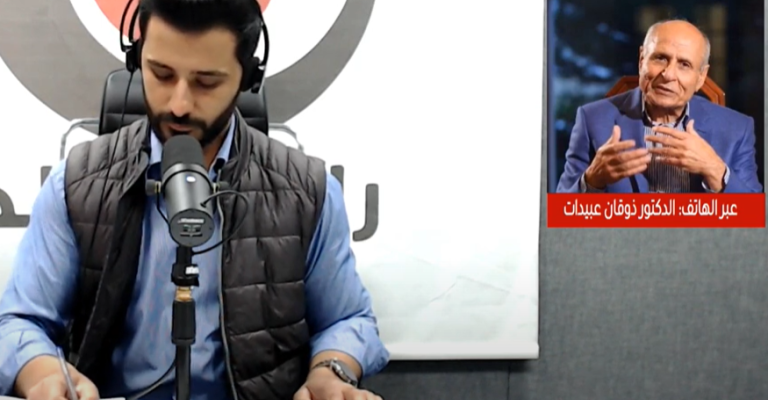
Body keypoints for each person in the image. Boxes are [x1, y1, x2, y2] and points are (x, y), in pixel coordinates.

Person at [0, 0, 389, 399]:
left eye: (206, 82)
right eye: (161, 74)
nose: (179, 104)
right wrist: (42, 372)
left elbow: (347, 320)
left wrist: (331, 372)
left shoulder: (308, 191)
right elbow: (19, 322)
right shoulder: (76, 183)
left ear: (248, 77)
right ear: (136, 59)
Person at [556, 19, 762, 194]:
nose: (669, 74)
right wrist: (592, 179)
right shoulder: (592, 120)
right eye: (660, 58)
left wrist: (716, 170)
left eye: (684, 64)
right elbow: (560, 216)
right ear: (641, 60)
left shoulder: (736, 129)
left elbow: (756, 219)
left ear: (701, 77)